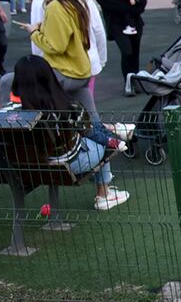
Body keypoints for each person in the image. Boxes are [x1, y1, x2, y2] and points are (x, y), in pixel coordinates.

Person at [11, 55, 129, 211]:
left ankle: (113, 128)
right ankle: (104, 194)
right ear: (49, 76)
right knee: (99, 137)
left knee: (90, 131)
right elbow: (88, 131)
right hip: (68, 165)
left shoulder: (16, 113)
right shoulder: (65, 105)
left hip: (34, 166)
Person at [18, 0, 101, 125]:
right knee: (92, 119)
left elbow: (56, 46)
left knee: (9, 82)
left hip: (65, 73)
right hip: (82, 71)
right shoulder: (75, 3)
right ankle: (110, 140)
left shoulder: (55, 7)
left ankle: (24, 130)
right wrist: (42, 27)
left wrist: (34, 32)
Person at [92, 0, 142, 94]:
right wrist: (128, 6)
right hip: (116, 25)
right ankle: (128, 82)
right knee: (127, 52)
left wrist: (135, 7)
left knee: (135, 53)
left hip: (134, 22)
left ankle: (135, 81)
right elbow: (109, 6)